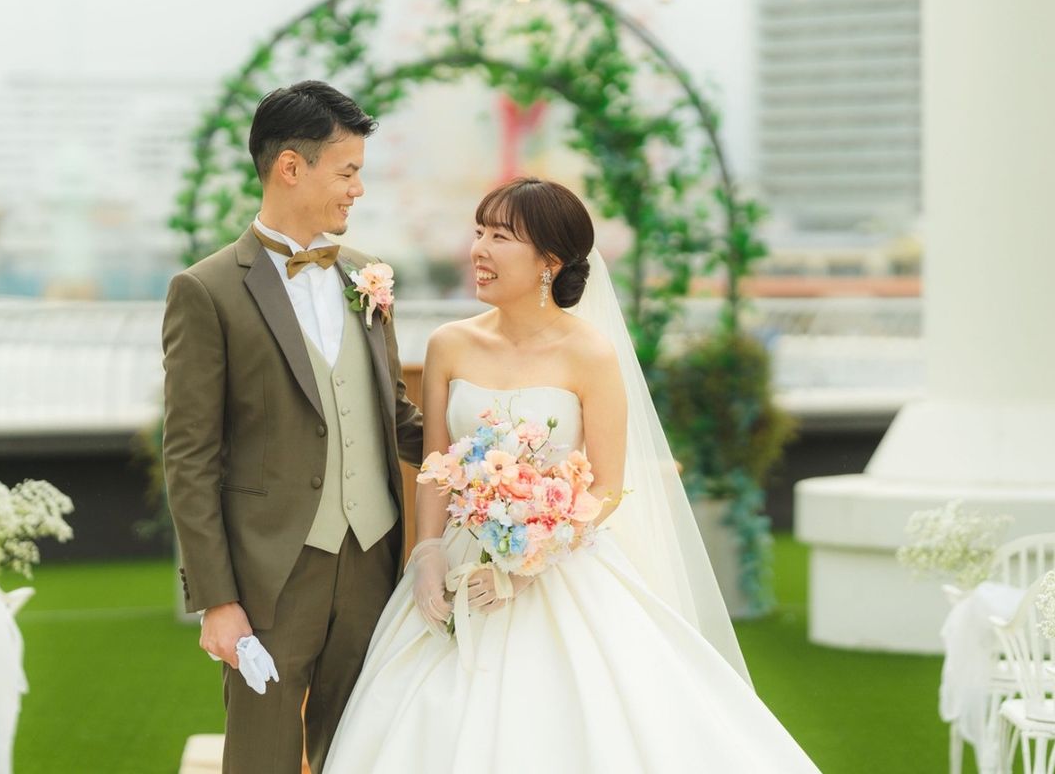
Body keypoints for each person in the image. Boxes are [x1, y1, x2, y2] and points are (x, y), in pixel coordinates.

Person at [323, 177, 822, 773]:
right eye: (478, 232)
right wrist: (427, 553)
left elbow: (606, 486)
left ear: (549, 261)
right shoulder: (448, 344)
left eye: (500, 237)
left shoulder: (591, 353)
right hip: (458, 562)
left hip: (557, 565)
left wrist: (526, 563)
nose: (479, 249)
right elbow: (435, 465)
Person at [162, 80, 423, 774]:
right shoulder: (206, 290)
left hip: (372, 561)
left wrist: (493, 460)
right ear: (289, 167)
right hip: (271, 575)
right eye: (347, 171)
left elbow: (394, 414)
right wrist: (217, 601)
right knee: (262, 758)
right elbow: (190, 458)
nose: (358, 189)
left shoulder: (366, 276)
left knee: (365, 752)